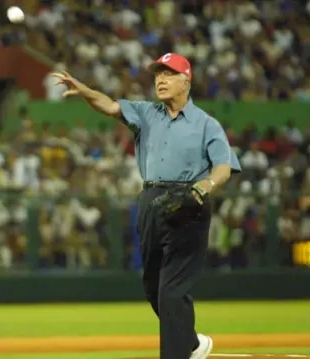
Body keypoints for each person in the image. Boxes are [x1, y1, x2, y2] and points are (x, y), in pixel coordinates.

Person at [52, 53, 241, 359]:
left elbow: (223, 166)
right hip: (151, 200)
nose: (160, 80)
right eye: (157, 75)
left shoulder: (206, 124)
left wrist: (205, 186)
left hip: (189, 201)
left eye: (169, 74)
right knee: (153, 286)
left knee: (172, 289)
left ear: (186, 80)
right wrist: (85, 91)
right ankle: (192, 343)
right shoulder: (146, 113)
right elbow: (110, 105)